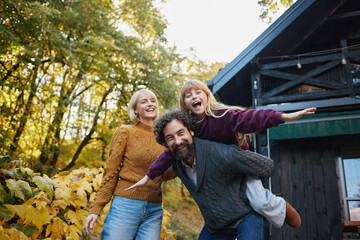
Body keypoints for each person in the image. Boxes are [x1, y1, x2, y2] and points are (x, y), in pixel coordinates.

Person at [127, 80, 316, 229]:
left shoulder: (224, 117)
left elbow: (252, 118)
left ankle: (281, 205)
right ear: (184, 103)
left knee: (258, 201)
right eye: (188, 95)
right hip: (219, 170)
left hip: (240, 164)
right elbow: (169, 153)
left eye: (198, 92)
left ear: (207, 97)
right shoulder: (190, 128)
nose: (194, 96)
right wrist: (149, 176)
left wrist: (283, 117)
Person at [153, 109, 275, 239]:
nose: (177, 141)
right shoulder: (177, 165)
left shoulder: (220, 153)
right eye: (170, 138)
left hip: (247, 216)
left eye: (181, 133)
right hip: (216, 226)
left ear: (191, 131)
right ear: (165, 143)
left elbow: (266, 166)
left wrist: (248, 191)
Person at [84, 89, 175, 240]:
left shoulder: (165, 137)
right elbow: (111, 171)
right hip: (126, 204)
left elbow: (165, 175)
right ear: (135, 110)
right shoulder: (125, 132)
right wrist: (96, 208)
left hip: (154, 209)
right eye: (144, 101)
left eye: (153, 100)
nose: (150, 104)